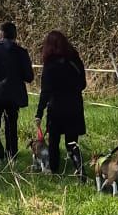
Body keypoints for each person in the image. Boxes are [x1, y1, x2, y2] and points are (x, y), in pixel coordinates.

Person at [35, 30, 87, 176]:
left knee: (54, 142)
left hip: (56, 107)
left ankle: (54, 171)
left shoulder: (50, 64)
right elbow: (83, 84)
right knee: (72, 142)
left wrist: (39, 113)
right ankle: (80, 170)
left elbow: (45, 91)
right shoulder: (75, 60)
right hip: (74, 106)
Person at [0, 20, 34, 162]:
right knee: (11, 126)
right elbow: (29, 77)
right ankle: (12, 155)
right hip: (14, 96)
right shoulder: (22, 53)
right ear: (15, 35)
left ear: (0, 34)